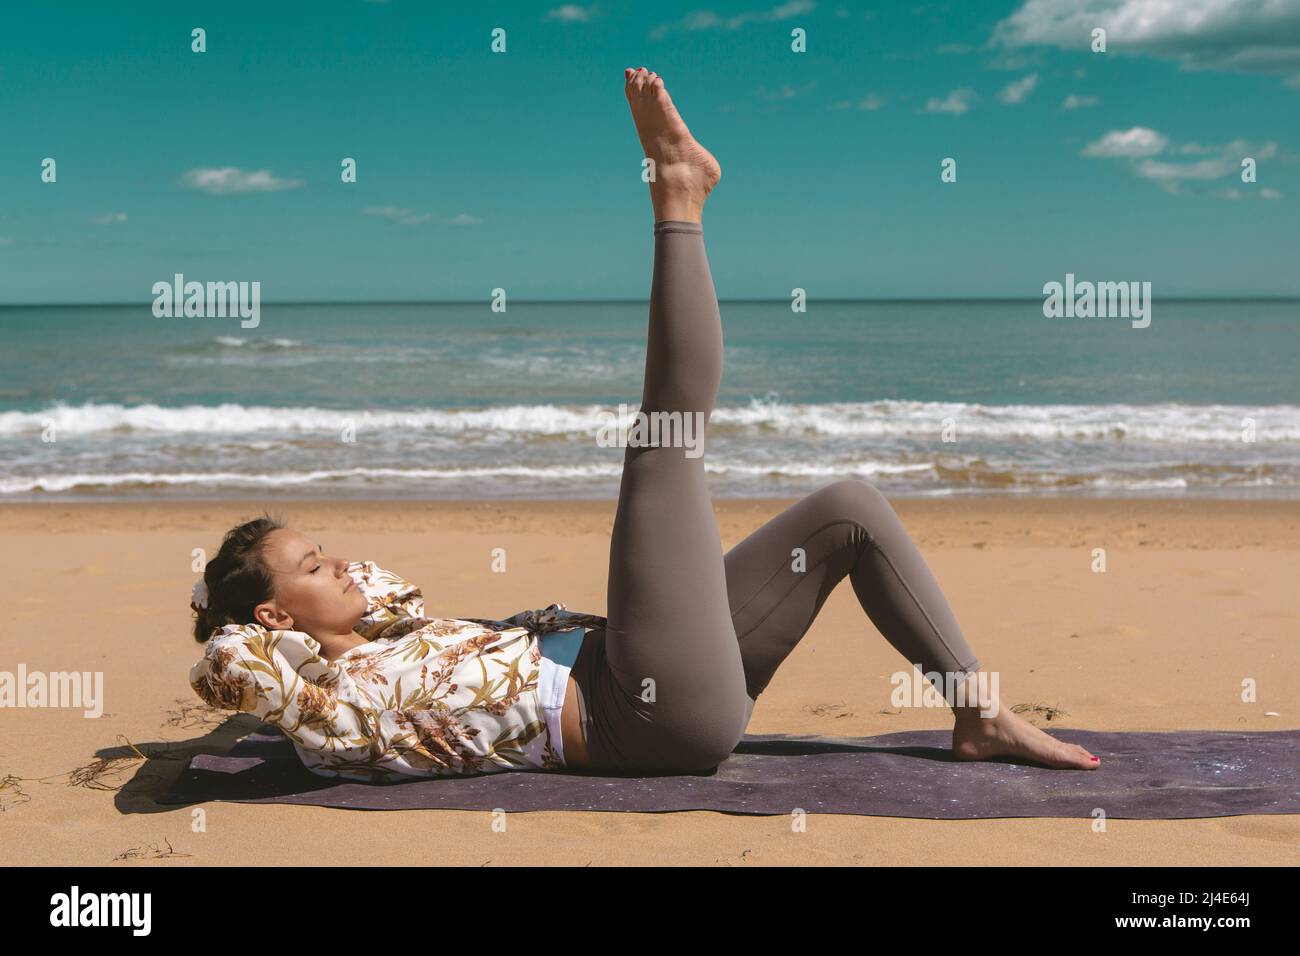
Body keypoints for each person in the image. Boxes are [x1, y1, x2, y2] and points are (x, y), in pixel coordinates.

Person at [188, 68, 1099, 783]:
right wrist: (236, 618)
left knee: (848, 510)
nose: (340, 564)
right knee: (663, 444)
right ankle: (678, 195)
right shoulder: (326, 715)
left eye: (325, 552)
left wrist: (300, 598)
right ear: (271, 616)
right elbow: (227, 672)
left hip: (646, 661)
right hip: (642, 714)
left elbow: (370, 588)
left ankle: (980, 714)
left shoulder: (382, 628)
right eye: (312, 567)